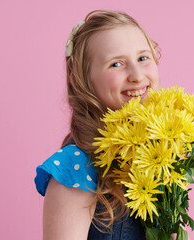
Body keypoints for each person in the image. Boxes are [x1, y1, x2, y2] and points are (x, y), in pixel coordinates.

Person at [35, 9, 179, 240]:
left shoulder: (157, 157)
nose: (136, 75)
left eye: (143, 58)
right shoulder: (76, 169)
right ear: (84, 81)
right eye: (116, 64)